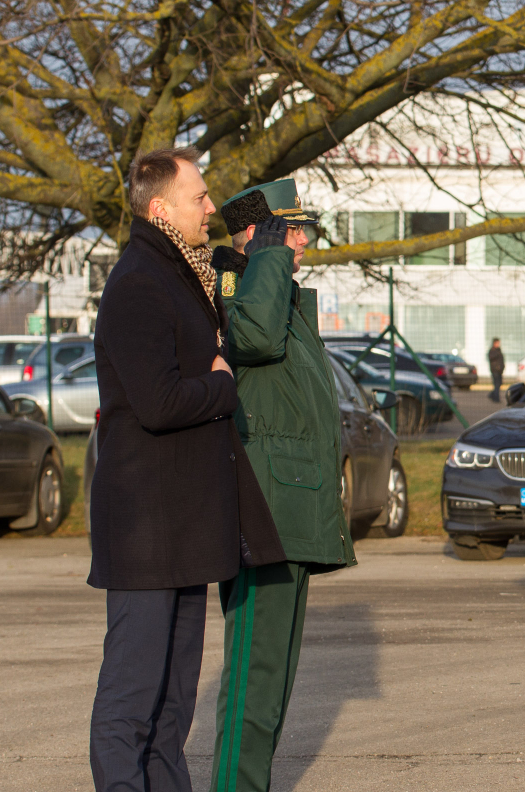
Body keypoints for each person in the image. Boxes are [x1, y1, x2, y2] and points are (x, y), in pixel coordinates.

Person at [88, 148, 285, 792]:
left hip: (185, 523)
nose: (210, 208)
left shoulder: (185, 273)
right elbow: (159, 401)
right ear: (159, 207)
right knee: (133, 694)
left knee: (173, 703)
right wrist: (222, 386)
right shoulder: (140, 282)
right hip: (147, 524)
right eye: (199, 197)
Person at [206, 180, 355, 792]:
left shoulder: (279, 295)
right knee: (253, 670)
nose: (301, 243)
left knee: (275, 674)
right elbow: (253, 342)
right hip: (263, 507)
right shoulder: (236, 290)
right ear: (254, 236)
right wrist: (264, 260)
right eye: (288, 231)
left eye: (302, 231)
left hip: (291, 504)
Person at [488, 337, 505, 402]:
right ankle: (496, 398)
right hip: (495, 370)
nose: (499, 344)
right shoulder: (492, 350)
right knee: (496, 385)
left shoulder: (499, 350)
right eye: (497, 343)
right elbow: (491, 358)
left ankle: (491, 395)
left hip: (500, 370)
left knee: (499, 384)